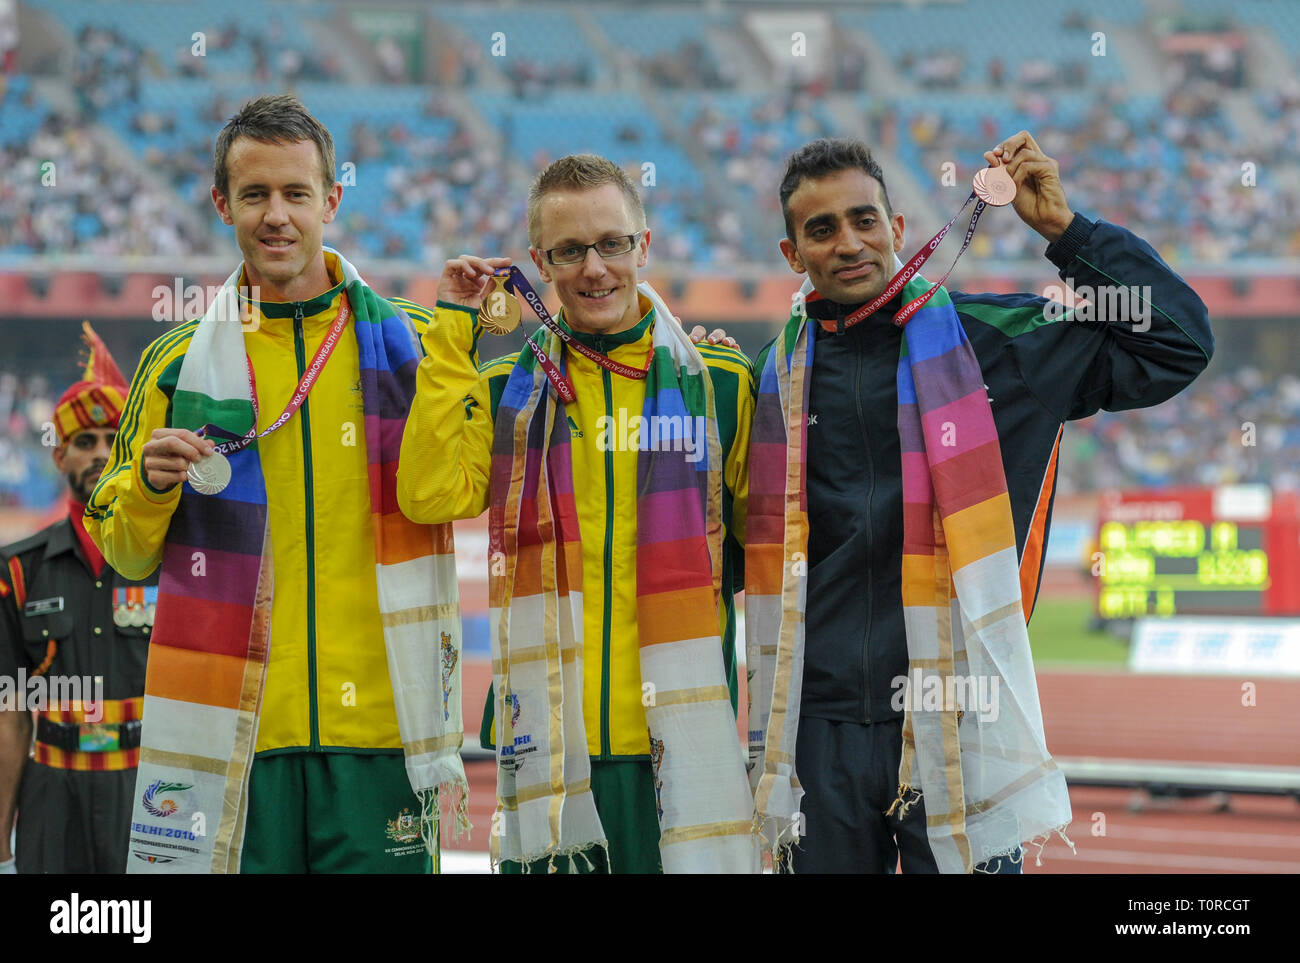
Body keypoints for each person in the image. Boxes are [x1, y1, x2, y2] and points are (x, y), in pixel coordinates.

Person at [746, 134, 1213, 874]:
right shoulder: (771, 380)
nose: (849, 242)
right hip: (819, 727)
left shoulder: (998, 341)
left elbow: (1179, 342)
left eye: (865, 219)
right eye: (822, 228)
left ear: (898, 230)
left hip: (961, 716)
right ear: (791, 252)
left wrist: (1067, 231)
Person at [84, 94, 466, 874]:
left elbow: (461, 489)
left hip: (382, 737)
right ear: (223, 203)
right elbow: (123, 554)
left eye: (296, 193)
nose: (276, 215)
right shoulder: (177, 363)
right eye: (255, 194)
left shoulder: (417, 346)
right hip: (231, 738)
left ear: (331, 198)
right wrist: (153, 488)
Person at [397, 154, 758, 873]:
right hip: (550, 747)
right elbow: (430, 493)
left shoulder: (717, 383)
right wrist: (451, 332)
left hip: (677, 743)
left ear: (643, 246)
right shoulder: (508, 390)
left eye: (611, 244)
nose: (594, 269)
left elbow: (766, 550)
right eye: (569, 251)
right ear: (541, 261)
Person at [0, 325, 151, 873]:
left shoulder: (172, 560)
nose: (100, 454)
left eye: (114, 440)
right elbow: (9, 714)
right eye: (85, 442)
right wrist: (0, 848)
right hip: (51, 800)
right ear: (59, 455)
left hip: (151, 798)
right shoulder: (17, 570)